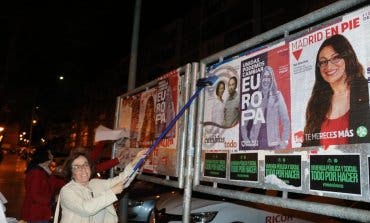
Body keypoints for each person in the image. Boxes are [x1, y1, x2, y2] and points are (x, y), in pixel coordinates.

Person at [302, 34, 370, 148]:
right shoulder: (316, 102)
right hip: (324, 166)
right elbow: (307, 146)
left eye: (336, 57)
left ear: (347, 58)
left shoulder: (365, 91)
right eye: (323, 62)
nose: (329, 66)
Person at [55, 148, 145, 223]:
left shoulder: (95, 183)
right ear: (71, 172)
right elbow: (86, 209)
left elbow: (121, 181)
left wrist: (135, 162)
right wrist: (112, 192)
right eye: (77, 167)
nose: (83, 169)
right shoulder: (67, 191)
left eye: (85, 165)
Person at [241, 66, 290, 149]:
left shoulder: (277, 96)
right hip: (255, 145)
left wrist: (284, 142)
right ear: (261, 79)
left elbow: (286, 121)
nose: (266, 80)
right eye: (264, 77)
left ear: (272, 79)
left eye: (268, 77)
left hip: (272, 145)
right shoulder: (255, 97)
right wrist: (246, 140)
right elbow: (244, 121)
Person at [20, 145, 65, 223]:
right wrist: (53, 199)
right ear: (44, 156)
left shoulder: (45, 170)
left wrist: (71, 182)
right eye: (50, 154)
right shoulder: (36, 172)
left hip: (41, 212)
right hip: (36, 214)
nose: (52, 156)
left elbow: (55, 182)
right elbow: (35, 195)